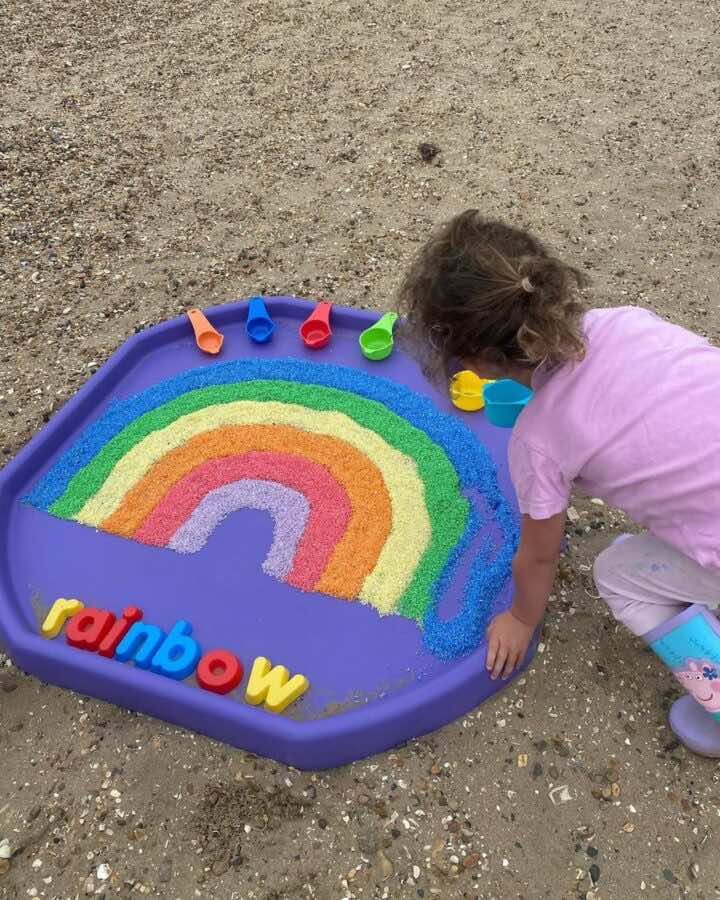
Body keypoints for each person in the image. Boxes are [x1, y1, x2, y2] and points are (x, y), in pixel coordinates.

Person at [397, 209, 720, 752]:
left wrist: (523, 617)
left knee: (618, 574)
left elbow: (540, 554)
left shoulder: (540, 440)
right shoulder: (627, 322)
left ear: (474, 360)